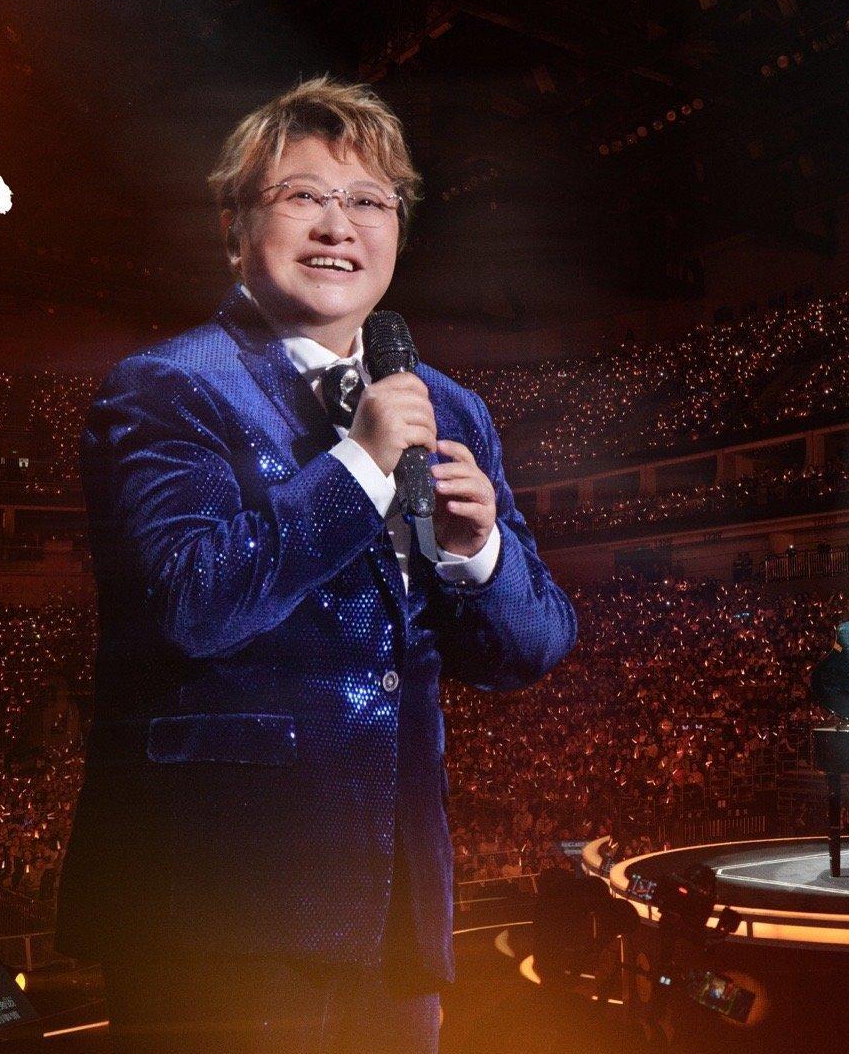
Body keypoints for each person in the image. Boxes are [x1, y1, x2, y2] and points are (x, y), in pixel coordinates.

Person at [53, 75, 578, 1054]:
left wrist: (478, 553)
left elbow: (530, 648)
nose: (340, 224)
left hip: (398, 917)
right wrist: (359, 468)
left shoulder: (450, 409)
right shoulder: (165, 387)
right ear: (234, 230)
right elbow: (190, 602)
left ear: (397, 234)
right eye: (304, 195)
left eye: (369, 201)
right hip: (212, 916)